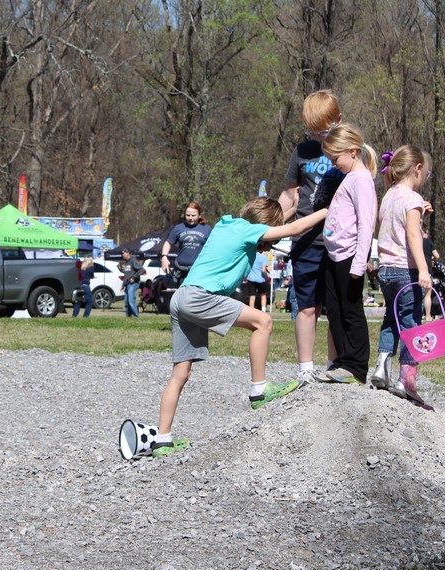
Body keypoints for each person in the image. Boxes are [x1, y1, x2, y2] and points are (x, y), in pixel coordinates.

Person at [150, 196, 329, 457]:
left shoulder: (227, 225)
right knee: (263, 321)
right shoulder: (247, 230)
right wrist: (326, 209)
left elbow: (279, 222)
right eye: (267, 242)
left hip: (181, 297)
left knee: (180, 374)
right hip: (201, 297)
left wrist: (293, 208)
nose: (266, 247)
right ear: (262, 226)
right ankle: (259, 389)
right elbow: (292, 229)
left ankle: (162, 441)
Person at [277, 90, 345, 385]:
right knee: (306, 306)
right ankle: (306, 367)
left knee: (336, 307)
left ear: (337, 120)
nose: (318, 136)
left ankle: (333, 364)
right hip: (305, 239)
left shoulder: (350, 149)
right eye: (312, 130)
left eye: (324, 129)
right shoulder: (302, 152)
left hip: (341, 241)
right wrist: (270, 223)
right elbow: (290, 194)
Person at [370, 144, 434, 410]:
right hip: (405, 270)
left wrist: (421, 217)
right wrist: (423, 269)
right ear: (417, 169)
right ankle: (406, 380)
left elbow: (396, 230)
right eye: (425, 175)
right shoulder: (412, 198)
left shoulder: (388, 196)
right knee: (412, 324)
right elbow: (411, 236)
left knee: (391, 319)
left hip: (385, 270)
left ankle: (382, 367)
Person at [315, 123, 378, 384]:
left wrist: (359, 262)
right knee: (334, 310)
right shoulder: (349, 178)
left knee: (351, 310)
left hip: (350, 257)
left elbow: (367, 223)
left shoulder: (361, 180)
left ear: (352, 151)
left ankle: (357, 366)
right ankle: (341, 361)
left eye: (336, 159)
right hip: (334, 255)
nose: (334, 164)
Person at [161, 202, 211, 285]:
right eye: (188, 215)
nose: (190, 218)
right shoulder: (178, 228)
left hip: (198, 271)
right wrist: (164, 257)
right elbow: (168, 243)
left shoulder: (206, 229)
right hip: (181, 271)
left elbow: (213, 248)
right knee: (182, 297)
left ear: (199, 215)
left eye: (193, 215)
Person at [421, 226, 440, 317]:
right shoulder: (428, 242)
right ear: (425, 232)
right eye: (427, 233)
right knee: (427, 295)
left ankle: (418, 315)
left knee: (417, 295)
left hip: (416, 270)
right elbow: (437, 255)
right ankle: (428, 315)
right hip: (427, 271)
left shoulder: (415, 241)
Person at [120, 248, 144, 318]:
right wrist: (123, 285)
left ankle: (136, 317)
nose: (122, 255)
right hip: (127, 284)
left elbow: (142, 270)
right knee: (127, 303)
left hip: (133, 284)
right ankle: (128, 317)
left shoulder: (133, 261)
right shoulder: (127, 262)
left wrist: (134, 277)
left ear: (127, 253)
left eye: (123, 253)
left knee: (131, 301)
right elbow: (127, 275)